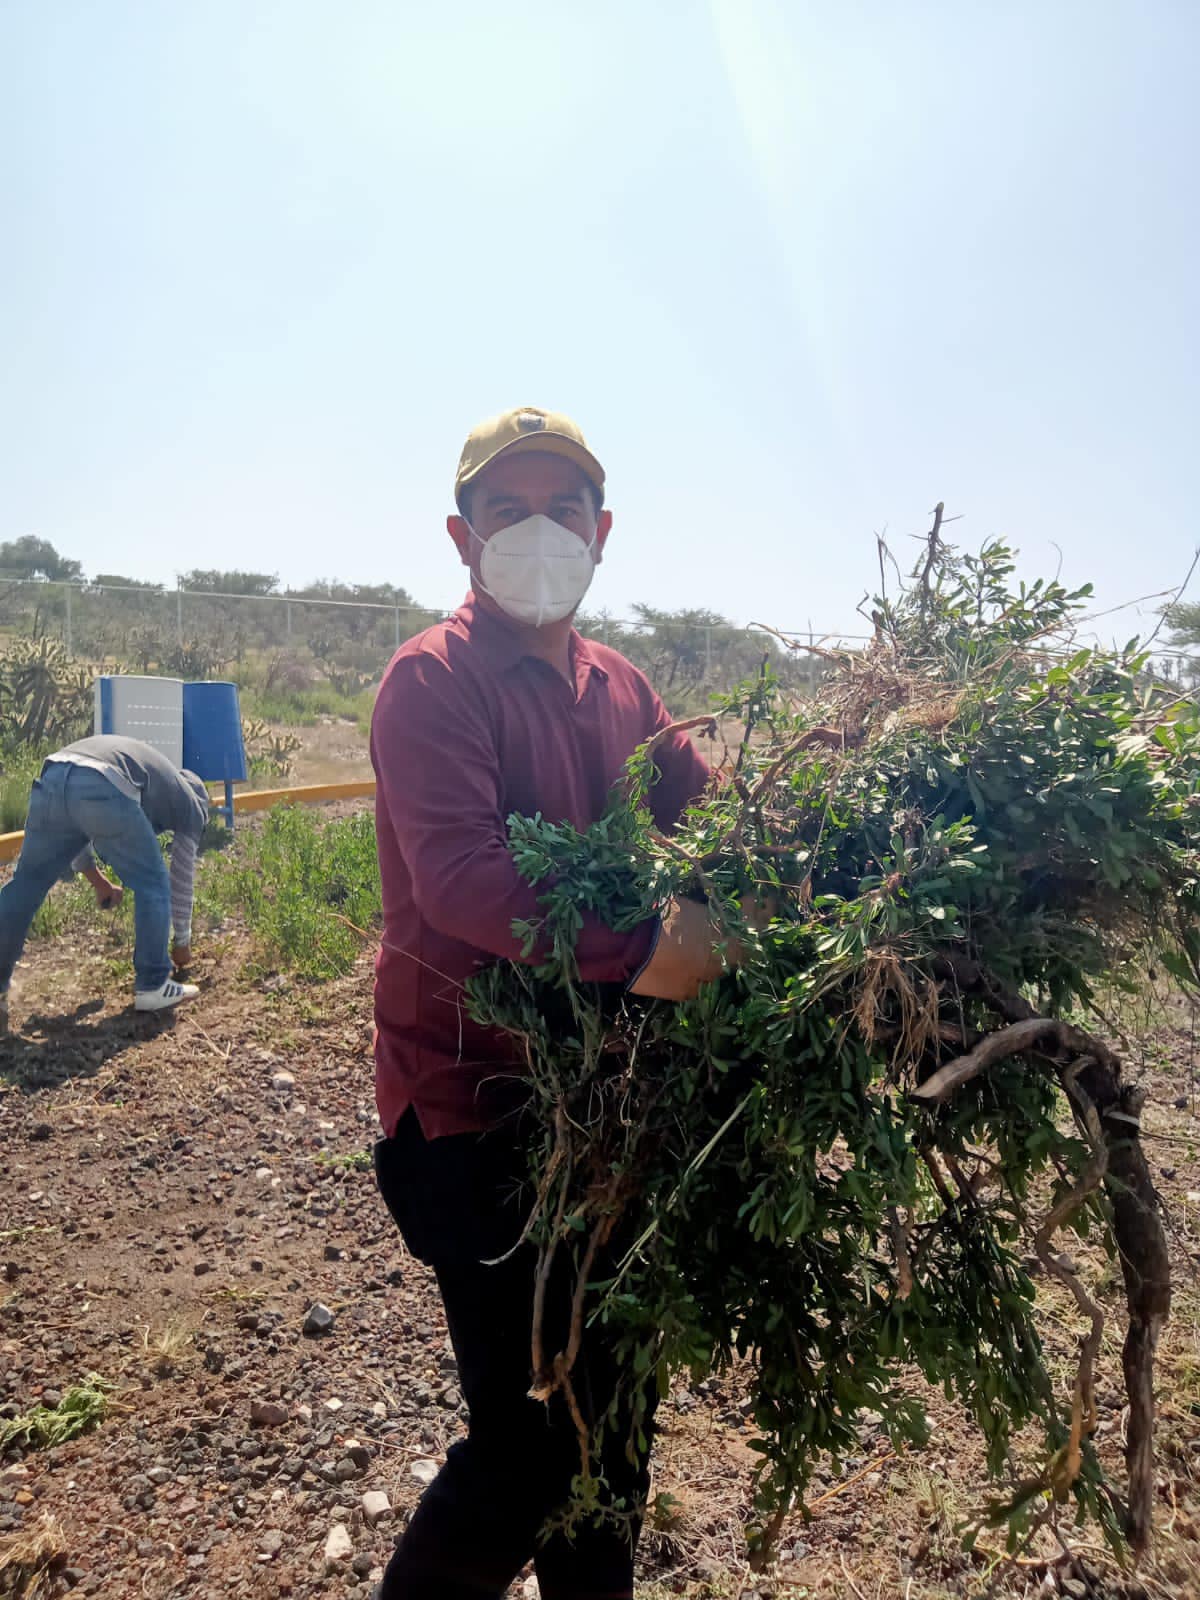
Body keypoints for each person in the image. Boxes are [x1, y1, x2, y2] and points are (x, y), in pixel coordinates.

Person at [370, 406, 730, 1600]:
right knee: (525, 1447)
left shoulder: (623, 687)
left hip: (601, 1108)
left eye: (562, 509)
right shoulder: (434, 681)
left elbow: (712, 815)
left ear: (603, 530)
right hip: (470, 1112)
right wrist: (644, 952)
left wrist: (819, 848)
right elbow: (465, 882)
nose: (537, 531)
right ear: (461, 535)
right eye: (506, 509)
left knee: (613, 1418)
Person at [0, 734, 209, 1028]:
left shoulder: (155, 777)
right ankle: (153, 985)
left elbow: (77, 822)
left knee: (26, 884)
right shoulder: (191, 806)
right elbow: (181, 879)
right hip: (100, 780)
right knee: (153, 883)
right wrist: (182, 941)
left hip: (55, 774)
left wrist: (99, 882)